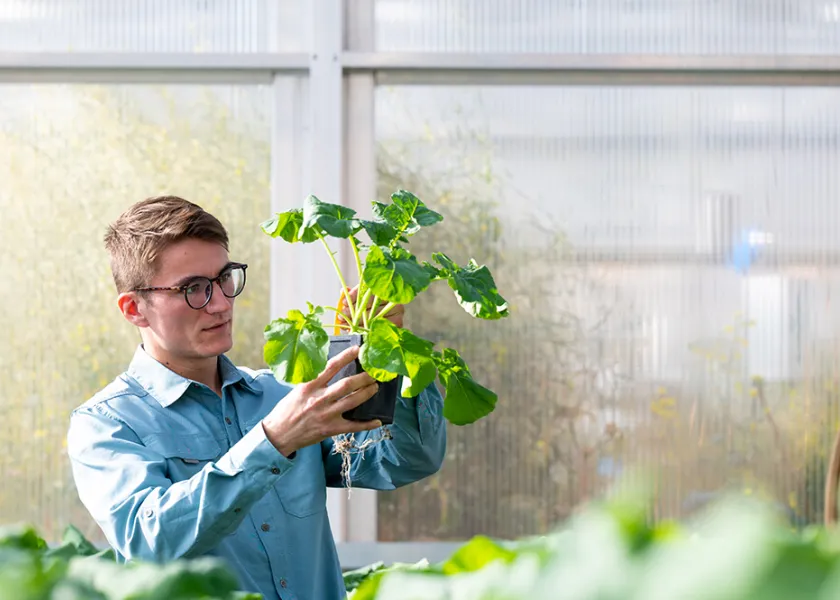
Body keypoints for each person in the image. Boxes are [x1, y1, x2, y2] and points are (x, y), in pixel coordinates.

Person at [66, 196, 447, 600]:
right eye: (193, 288)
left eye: (224, 277)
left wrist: (387, 359)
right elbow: (149, 542)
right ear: (133, 308)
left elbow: (406, 460)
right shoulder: (107, 423)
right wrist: (273, 441)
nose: (220, 303)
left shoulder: (282, 393)